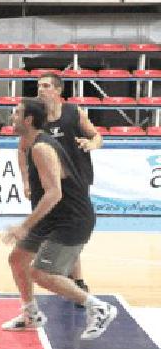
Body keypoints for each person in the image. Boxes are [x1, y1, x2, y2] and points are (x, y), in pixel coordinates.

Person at [3, 98, 117, 340]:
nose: (11, 118)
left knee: (41, 273)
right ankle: (31, 314)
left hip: (72, 218)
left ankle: (98, 307)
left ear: (28, 120)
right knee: (17, 259)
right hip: (53, 217)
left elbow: (55, 193)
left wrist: (23, 226)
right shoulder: (28, 142)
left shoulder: (42, 148)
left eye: (16, 114)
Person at [17, 72, 102, 306]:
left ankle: (78, 282)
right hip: (48, 182)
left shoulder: (73, 113)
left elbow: (97, 136)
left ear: (58, 91)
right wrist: (25, 181)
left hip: (75, 179)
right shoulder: (37, 118)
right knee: (59, 230)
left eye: (45, 86)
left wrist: (90, 143)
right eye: (38, 86)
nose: (41, 90)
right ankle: (71, 281)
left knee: (68, 228)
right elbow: (21, 150)